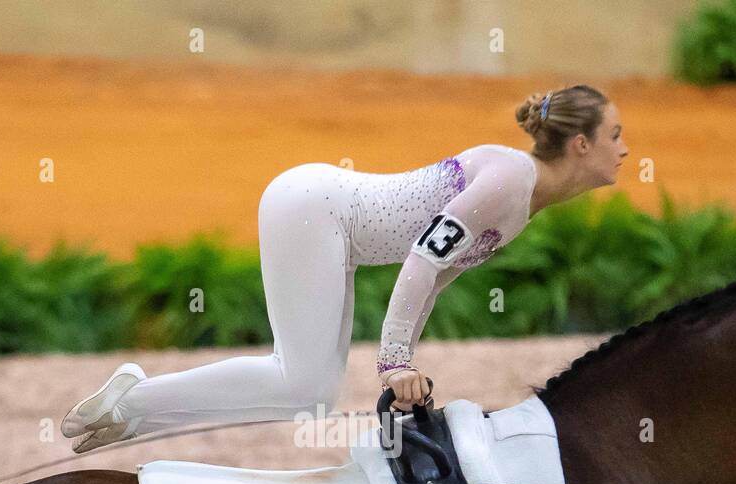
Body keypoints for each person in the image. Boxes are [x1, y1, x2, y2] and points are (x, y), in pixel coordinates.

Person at [61, 85, 628, 452]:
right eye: (615, 136)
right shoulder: (510, 180)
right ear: (580, 144)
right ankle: (133, 398)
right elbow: (423, 259)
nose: (625, 151)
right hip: (315, 210)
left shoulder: (522, 196)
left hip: (328, 223)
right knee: (301, 381)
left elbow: (436, 276)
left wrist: (402, 361)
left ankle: (133, 415)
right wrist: (394, 361)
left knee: (309, 397)